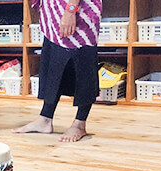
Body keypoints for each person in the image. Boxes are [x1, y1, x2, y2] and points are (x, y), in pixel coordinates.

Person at [13, 0, 101, 142]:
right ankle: (45, 118)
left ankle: (79, 124)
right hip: (54, 9)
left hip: (79, 9)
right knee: (53, 60)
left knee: (82, 63)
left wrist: (70, 10)